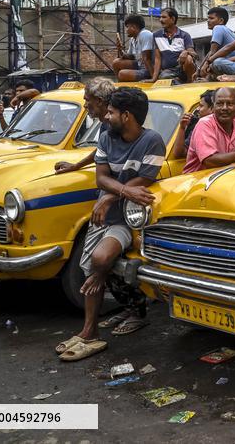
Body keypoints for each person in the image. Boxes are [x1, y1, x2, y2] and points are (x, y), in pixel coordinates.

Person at [54, 88, 164, 362]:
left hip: (127, 220)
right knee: (90, 265)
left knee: (99, 261)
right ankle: (90, 329)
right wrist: (116, 195)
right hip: (104, 214)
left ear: (126, 116)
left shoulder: (153, 141)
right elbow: (101, 178)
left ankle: (90, 332)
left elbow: (144, 183)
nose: (107, 115)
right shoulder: (106, 137)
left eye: (112, 112)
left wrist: (109, 199)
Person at [184, 87, 235, 174]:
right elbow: (210, 161)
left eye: (230, 104)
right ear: (213, 107)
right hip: (199, 181)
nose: (224, 108)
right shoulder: (205, 124)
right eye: (219, 104)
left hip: (229, 177)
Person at [54, 78, 118, 174]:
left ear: (99, 101)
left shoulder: (115, 125)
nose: (85, 105)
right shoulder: (106, 123)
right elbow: (102, 149)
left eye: (87, 100)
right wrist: (77, 166)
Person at [150, 7, 197, 83]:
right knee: (164, 77)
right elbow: (157, 58)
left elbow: (194, 54)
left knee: (188, 58)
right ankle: (178, 81)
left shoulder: (185, 35)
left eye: (164, 17)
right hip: (169, 71)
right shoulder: (156, 35)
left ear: (173, 19)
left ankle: (190, 81)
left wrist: (186, 52)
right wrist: (154, 78)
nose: (160, 20)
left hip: (184, 70)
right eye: (160, 17)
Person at [203, 6, 235, 79]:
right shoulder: (225, 30)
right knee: (212, 62)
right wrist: (199, 68)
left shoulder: (218, 28)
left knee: (214, 63)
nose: (208, 20)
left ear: (221, 21)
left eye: (211, 18)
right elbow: (211, 52)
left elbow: (212, 53)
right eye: (208, 18)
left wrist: (204, 66)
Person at [172, 89, 215, 160]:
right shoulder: (197, 126)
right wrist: (182, 127)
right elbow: (178, 153)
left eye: (201, 106)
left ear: (212, 109)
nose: (198, 109)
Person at [112, 14, 155, 82]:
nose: (126, 30)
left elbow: (147, 58)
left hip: (149, 69)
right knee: (116, 62)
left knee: (122, 74)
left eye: (127, 27)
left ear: (134, 27)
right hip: (139, 65)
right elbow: (130, 57)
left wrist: (154, 78)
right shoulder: (133, 39)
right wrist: (120, 49)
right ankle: (122, 86)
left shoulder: (145, 34)